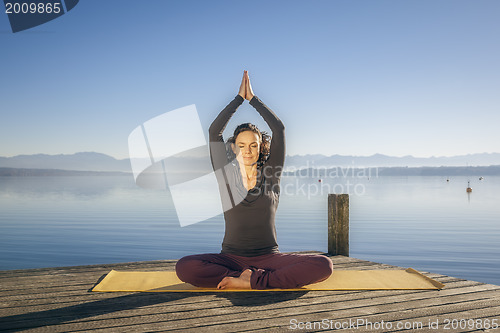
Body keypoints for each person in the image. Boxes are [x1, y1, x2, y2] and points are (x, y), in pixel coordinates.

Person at [175, 70, 333, 289]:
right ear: (233, 148)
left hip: (269, 258)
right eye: (241, 145)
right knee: (185, 266)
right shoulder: (225, 173)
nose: (247, 151)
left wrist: (253, 100)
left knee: (324, 265)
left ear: (261, 147)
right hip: (231, 259)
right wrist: (239, 99)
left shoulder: (272, 173)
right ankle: (248, 277)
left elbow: (278, 129)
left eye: (253, 145)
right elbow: (214, 132)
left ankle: (252, 280)